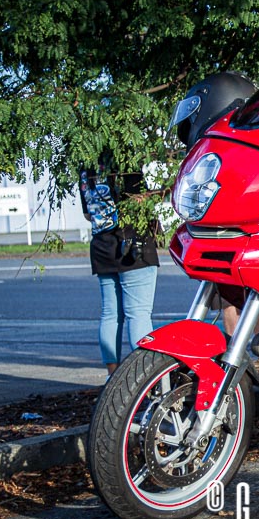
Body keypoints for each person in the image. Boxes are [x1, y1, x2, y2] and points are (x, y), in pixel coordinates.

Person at [80, 154, 161, 377]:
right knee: (139, 314)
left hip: (102, 246)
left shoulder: (85, 167)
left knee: (110, 315)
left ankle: (112, 375)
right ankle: (143, 376)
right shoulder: (124, 160)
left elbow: (88, 214)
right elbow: (139, 201)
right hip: (132, 246)